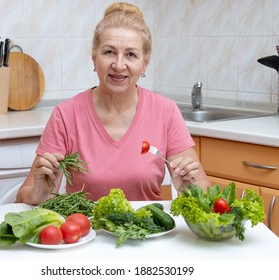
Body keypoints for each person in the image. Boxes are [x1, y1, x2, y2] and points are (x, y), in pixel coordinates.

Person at [16, 2, 211, 205]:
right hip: (85, 233)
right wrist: (40, 193)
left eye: (131, 54)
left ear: (145, 63)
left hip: (146, 233)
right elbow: (25, 195)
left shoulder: (165, 111)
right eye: (109, 52)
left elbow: (206, 189)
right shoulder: (66, 115)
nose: (118, 65)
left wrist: (191, 189)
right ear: (94, 57)